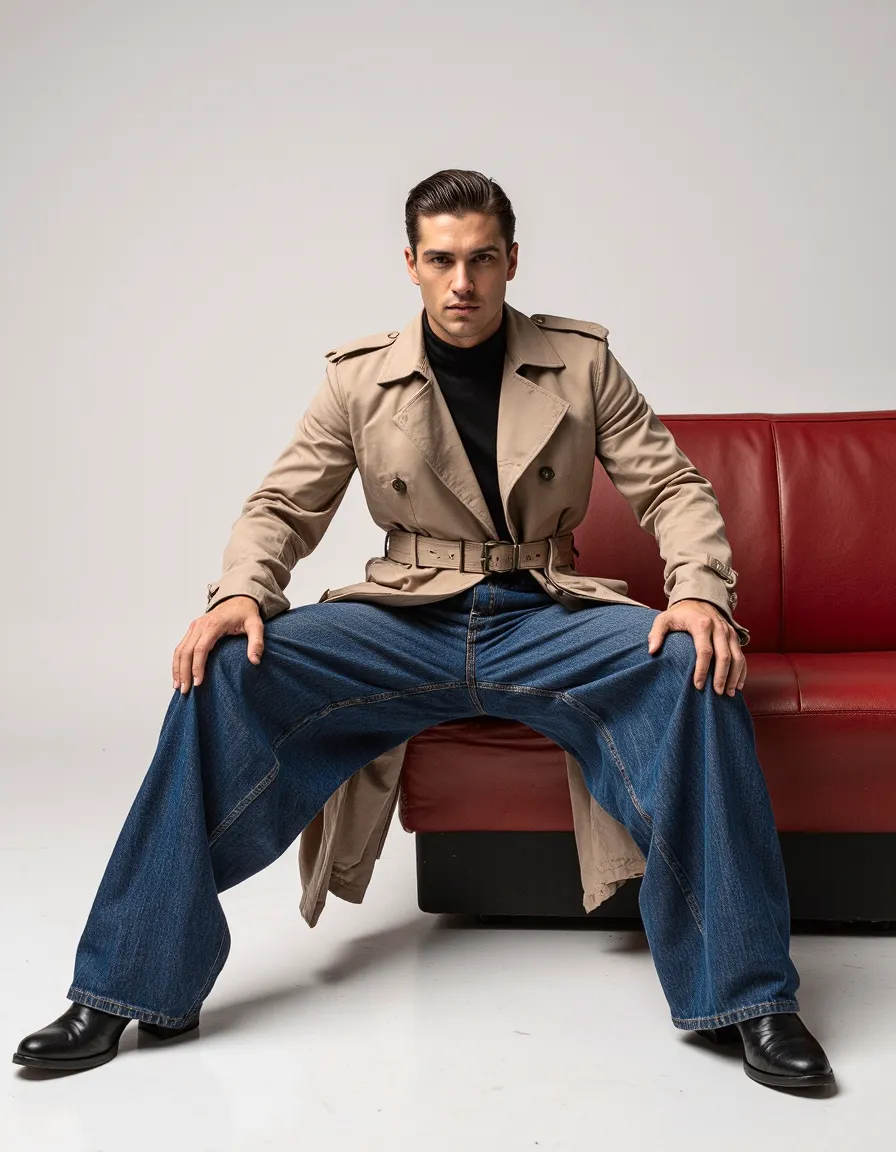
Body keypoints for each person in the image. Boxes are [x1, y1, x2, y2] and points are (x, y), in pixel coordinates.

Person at [13, 169, 834, 1090]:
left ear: (511, 259)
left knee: (692, 665)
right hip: (405, 617)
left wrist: (699, 594)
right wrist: (240, 590)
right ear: (409, 263)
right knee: (224, 669)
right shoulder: (359, 377)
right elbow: (284, 502)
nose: (462, 283)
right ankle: (125, 988)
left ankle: (750, 997)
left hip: (542, 610)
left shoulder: (582, 361)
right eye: (441, 259)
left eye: (482, 259)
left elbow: (673, 488)